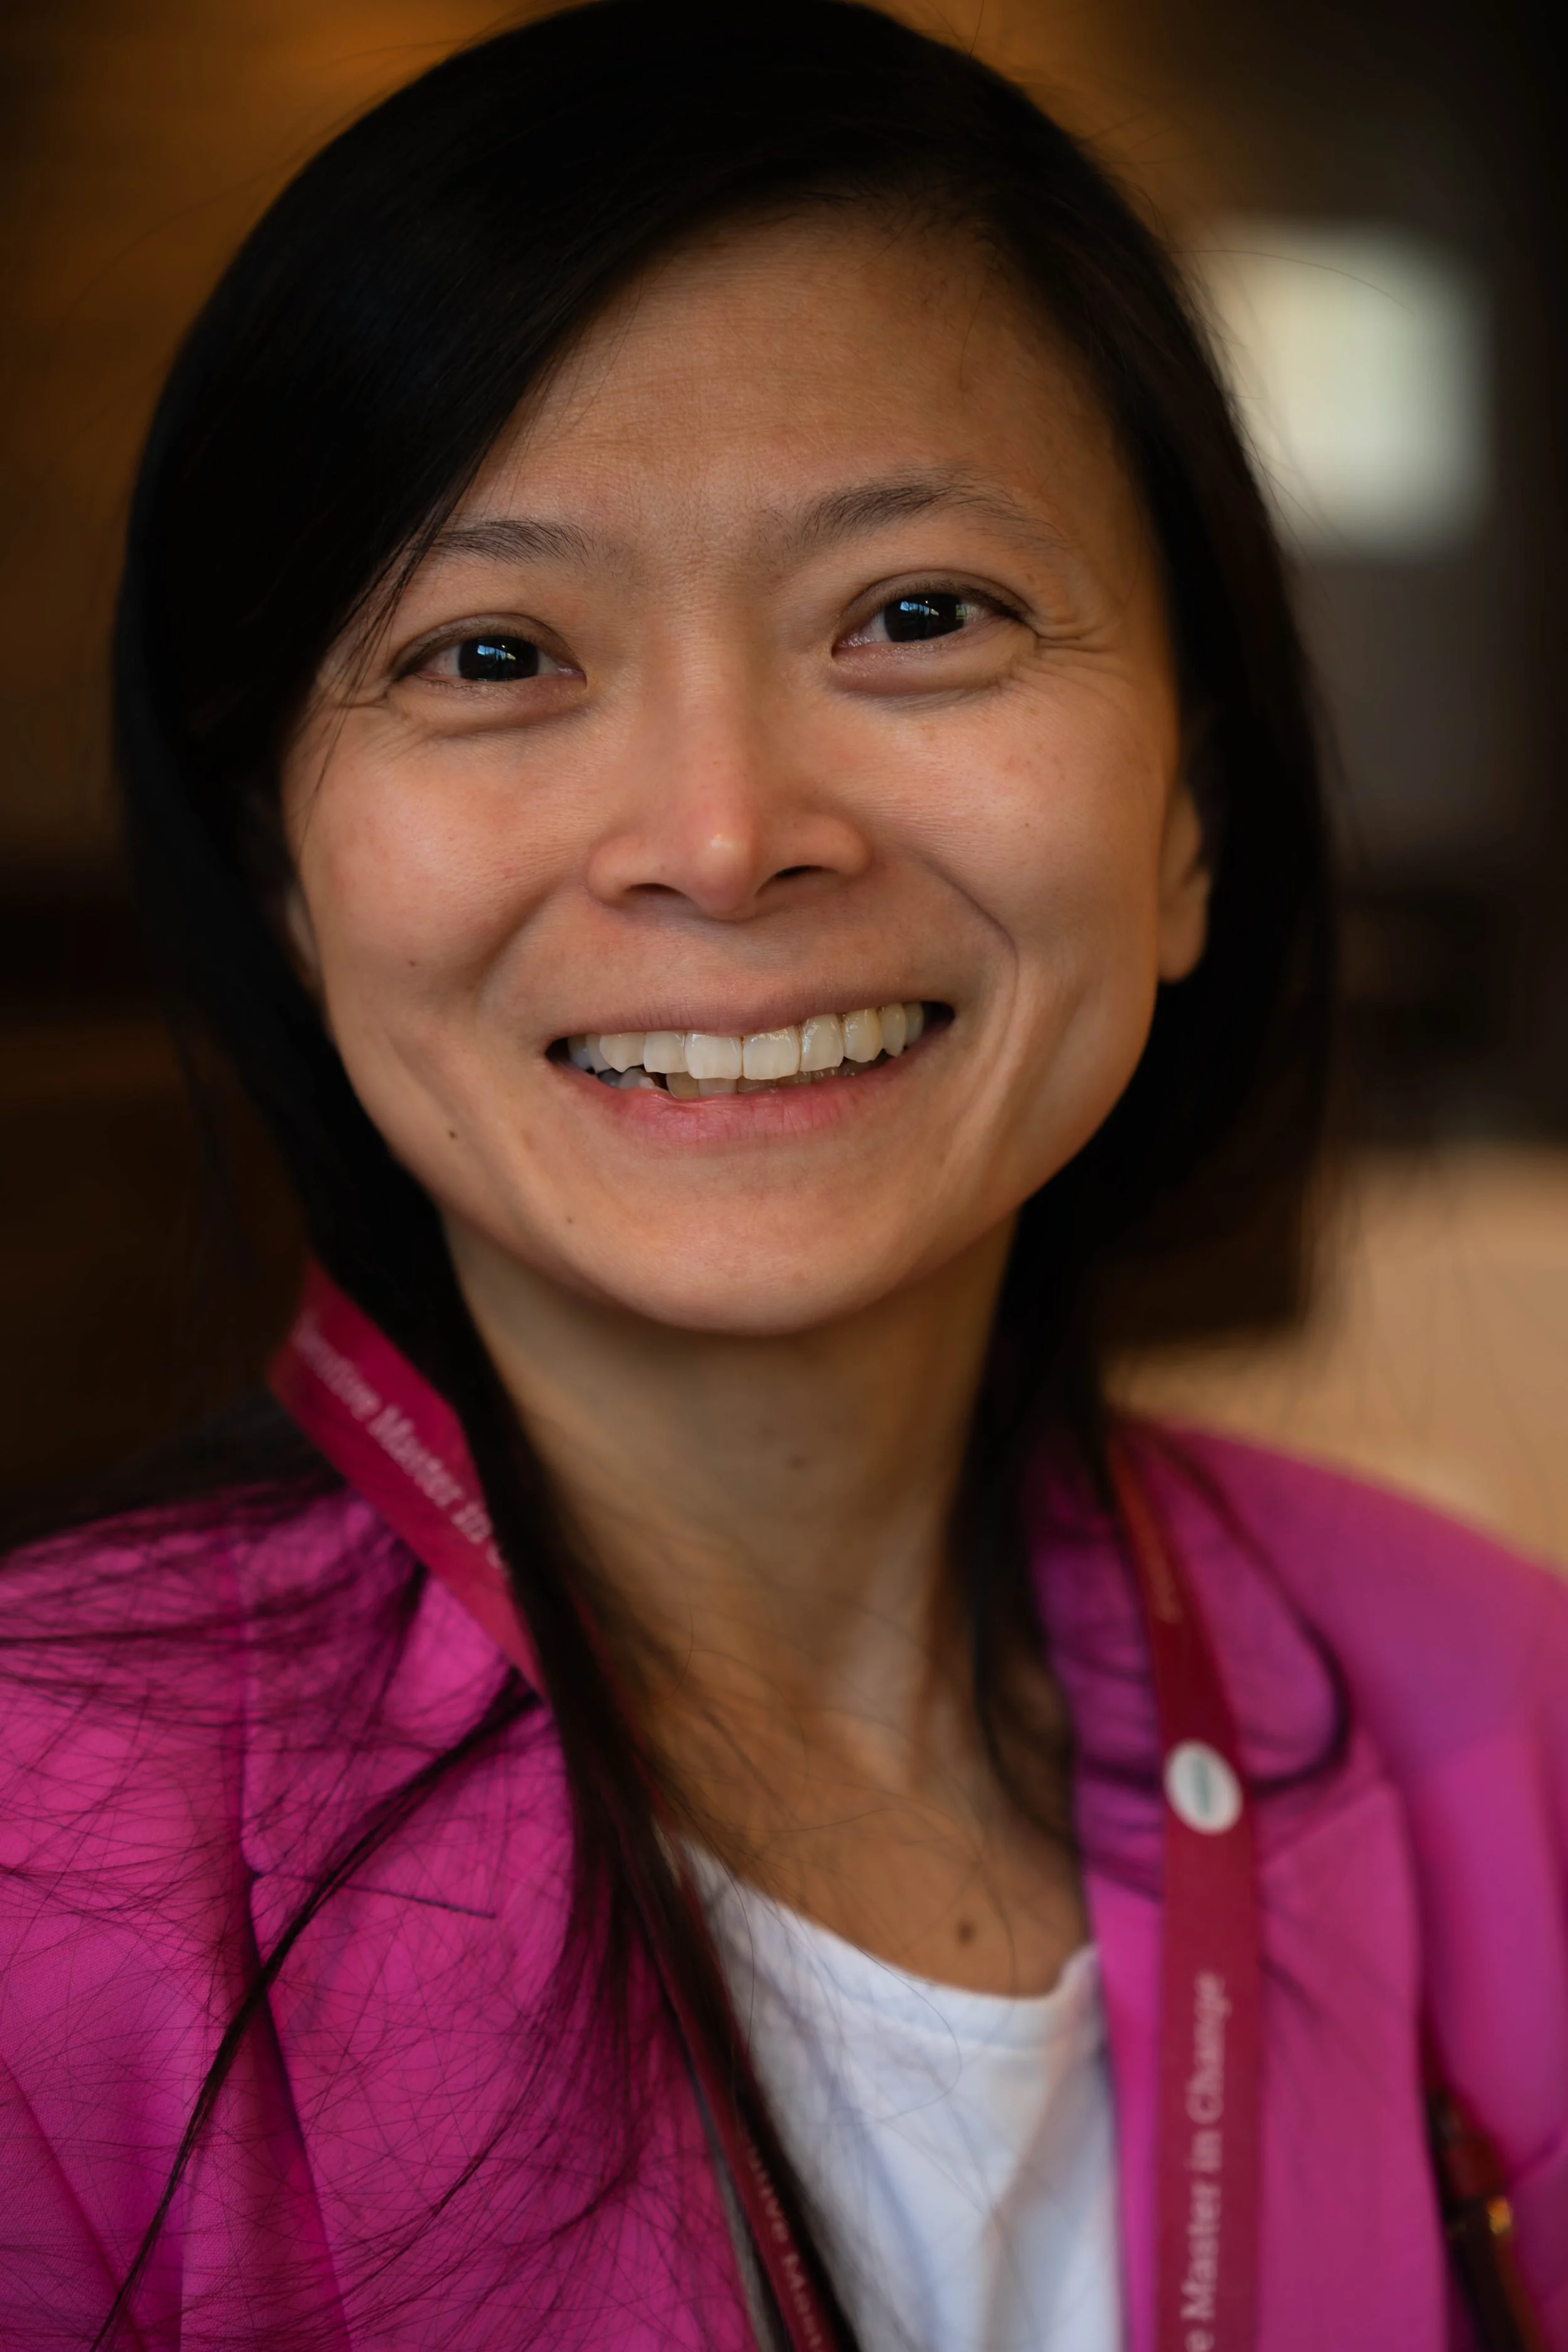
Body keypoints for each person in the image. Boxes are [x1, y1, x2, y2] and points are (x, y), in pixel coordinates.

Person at [1, 3, 1564, 2346]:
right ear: (294, 881)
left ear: (1186, 824)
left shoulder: (1502, 1705)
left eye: (917, 613)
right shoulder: (38, 1870)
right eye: (496, 649)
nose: (724, 838)